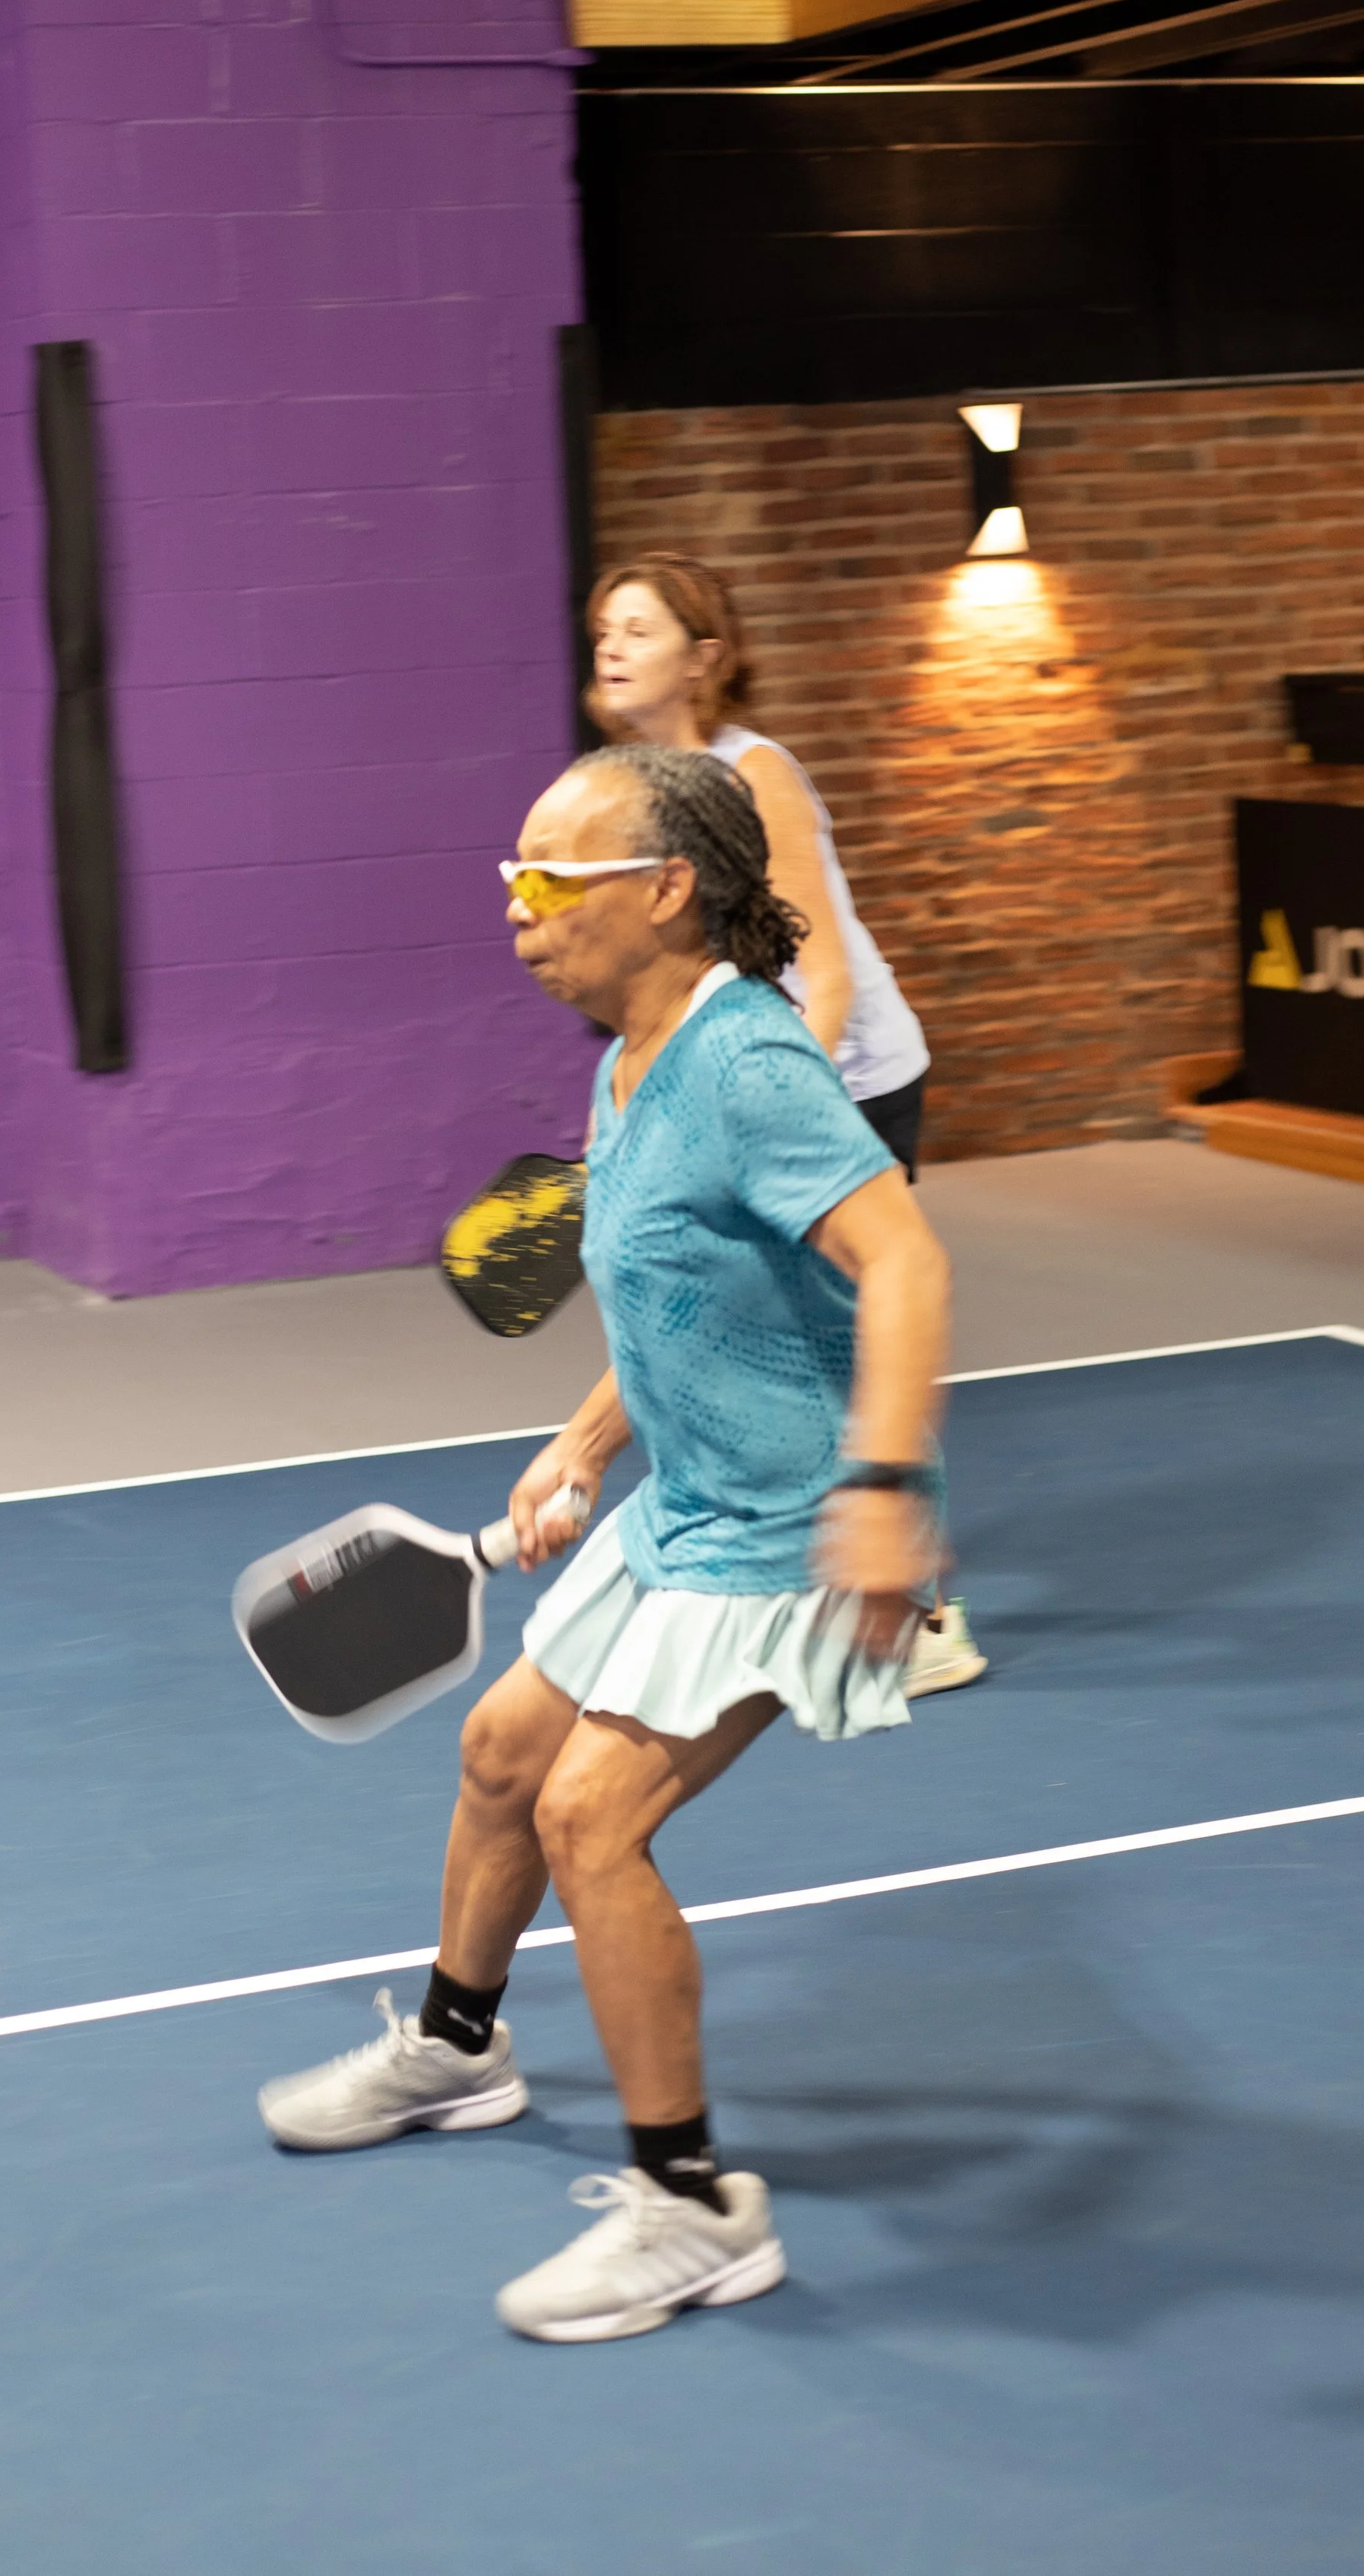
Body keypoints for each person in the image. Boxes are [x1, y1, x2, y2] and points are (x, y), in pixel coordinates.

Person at [258, 743, 952, 2344]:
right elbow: (682, 1294)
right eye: (511, 876)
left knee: (590, 1818)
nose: (517, 908)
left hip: (786, 1518)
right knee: (503, 1753)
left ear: (666, 891)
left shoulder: (747, 1063)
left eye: (548, 878)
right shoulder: (631, 1061)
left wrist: (882, 1486)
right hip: (686, 1492)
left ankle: (692, 2207)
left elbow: (906, 1262)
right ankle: (456, 2048)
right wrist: (580, 1448)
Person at [588, 551, 983, 1703]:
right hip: (743, 1079)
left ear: (704, 657)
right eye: (605, 626)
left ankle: (926, 1606)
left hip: (841, 1076)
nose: (612, 644)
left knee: (854, 1327)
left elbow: (824, 971)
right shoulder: (629, 787)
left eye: (641, 628)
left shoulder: (754, 772)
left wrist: (769, 1098)